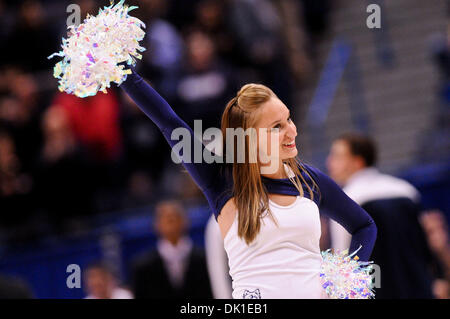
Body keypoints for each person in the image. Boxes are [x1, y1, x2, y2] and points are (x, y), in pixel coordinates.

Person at [119, 66, 376, 299]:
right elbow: (168, 121)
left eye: (289, 119)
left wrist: (347, 281)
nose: (292, 130)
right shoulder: (220, 180)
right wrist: (122, 70)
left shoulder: (308, 179)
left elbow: (364, 225)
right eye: (277, 126)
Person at [326, 133, 435, 299]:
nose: (329, 162)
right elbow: (427, 249)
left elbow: (342, 264)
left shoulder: (346, 201)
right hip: (420, 290)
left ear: (358, 162)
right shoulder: (406, 190)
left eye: (337, 156)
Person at [131, 200, 213, 299]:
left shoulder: (205, 259)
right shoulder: (142, 266)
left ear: (186, 221)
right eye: (166, 218)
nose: (171, 220)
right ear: (156, 224)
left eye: (176, 216)